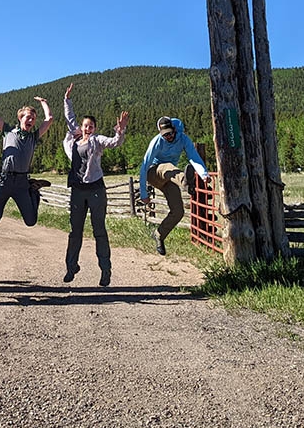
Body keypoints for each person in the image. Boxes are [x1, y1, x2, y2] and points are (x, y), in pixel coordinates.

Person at [61, 83, 128, 287]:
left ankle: (105, 270)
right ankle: (71, 267)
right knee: (75, 231)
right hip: (78, 190)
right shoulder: (73, 141)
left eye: (90, 126)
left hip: (96, 189)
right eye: (85, 126)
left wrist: (121, 129)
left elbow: (115, 142)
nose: (87, 128)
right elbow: (69, 118)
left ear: (94, 128)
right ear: (81, 128)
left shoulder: (97, 141)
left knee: (99, 229)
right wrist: (67, 100)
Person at [139, 115, 209, 255]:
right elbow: (145, 165)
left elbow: (193, 157)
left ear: (174, 129)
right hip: (154, 172)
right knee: (167, 167)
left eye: (170, 133)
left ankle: (159, 235)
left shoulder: (183, 138)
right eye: (165, 135)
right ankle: (186, 182)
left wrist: (203, 174)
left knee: (178, 211)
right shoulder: (157, 142)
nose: (168, 137)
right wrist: (143, 194)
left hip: (170, 177)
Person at [0, 88, 53, 227]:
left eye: (33, 119)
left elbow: (49, 119)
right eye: (28, 117)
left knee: (31, 221)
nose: (31, 120)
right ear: (20, 118)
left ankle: (33, 190)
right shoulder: (8, 131)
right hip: (4, 180)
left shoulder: (33, 137)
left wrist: (44, 103)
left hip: (22, 182)